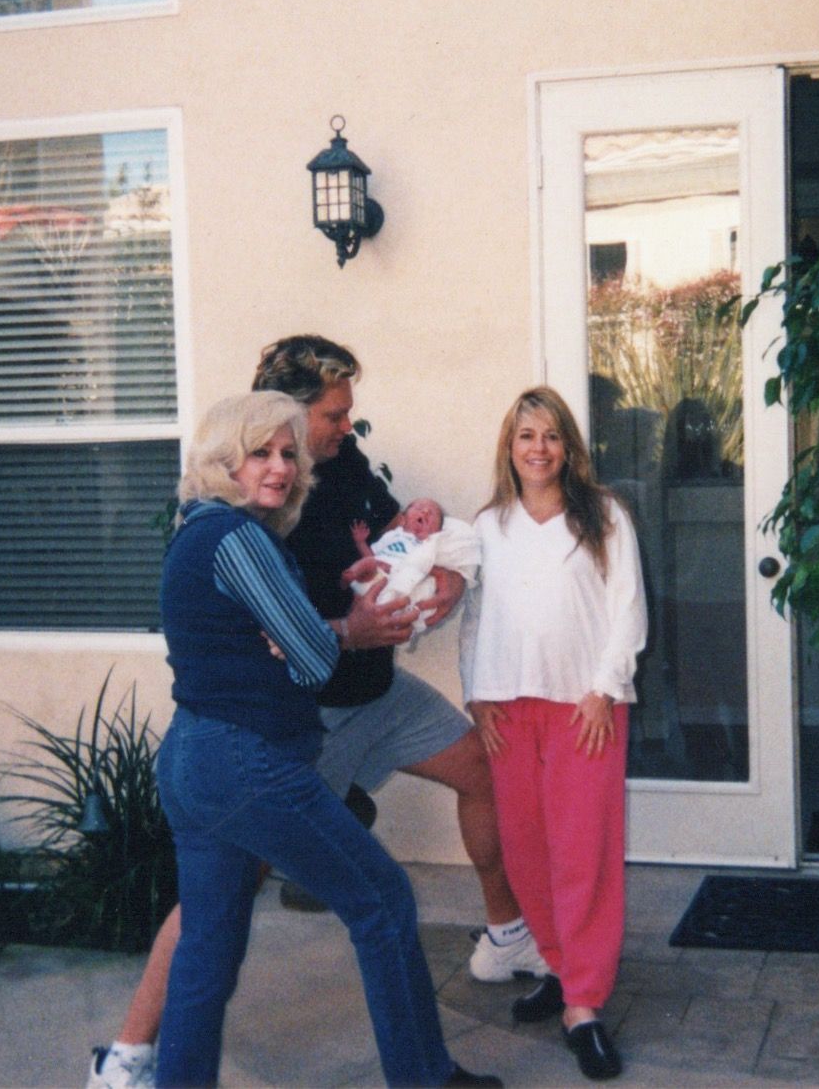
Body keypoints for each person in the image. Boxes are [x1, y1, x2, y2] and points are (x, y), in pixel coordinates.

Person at [89, 337, 543, 1089]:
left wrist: (314, 620)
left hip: (196, 757)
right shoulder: (242, 537)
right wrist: (340, 627)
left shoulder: (200, 527)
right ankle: (424, 1080)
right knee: (382, 900)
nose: (280, 466)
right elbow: (310, 658)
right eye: (261, 453)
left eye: (285, 455)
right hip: (250, 759)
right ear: (224, 460)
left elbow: (285, 635)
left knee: (210, 947)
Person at [458, 387, 647, 1083]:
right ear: (509, 448)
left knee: (583, 851)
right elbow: (474, 617)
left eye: (551, 436)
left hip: (584, 707)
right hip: (507, 708)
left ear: (568, 446)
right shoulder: (489, 525)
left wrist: (604, 687)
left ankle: (584, 1004)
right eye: (525, 436)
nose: (538, 449)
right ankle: (561, 968)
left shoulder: (604, 516)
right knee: (527, 849)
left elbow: (628, 605)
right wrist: (476, 694)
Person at [346, 498, 482, 646]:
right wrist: (361, 542)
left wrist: (452, 577)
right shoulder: (392, 536)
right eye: (418, 507)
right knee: (368, 564)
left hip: (396, 580)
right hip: (376, 575)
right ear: (402, 519)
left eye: (433, 514)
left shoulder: (428, 545)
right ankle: (350, 577)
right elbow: (373, 555)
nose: (425, 511)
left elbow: (428, 565)